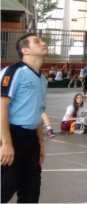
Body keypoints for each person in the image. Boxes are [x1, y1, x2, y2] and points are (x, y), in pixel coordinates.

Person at [1, 33, 49, 203]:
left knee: (31, 190)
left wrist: (40, 144)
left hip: (31, 139)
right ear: (25, 50)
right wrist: (6, 143)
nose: (43, 43)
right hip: (12, 135)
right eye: (37, 41)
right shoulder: (14, 71)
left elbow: (37, 112)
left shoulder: (42, 80)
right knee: (4, 189)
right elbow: (1, 106)